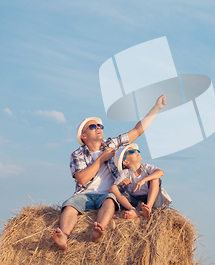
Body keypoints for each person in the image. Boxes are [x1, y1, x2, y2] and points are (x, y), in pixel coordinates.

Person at [51, 95, 167, 250]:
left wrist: (156, 107)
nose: (98, 127)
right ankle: (63, 237)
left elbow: (138, 130)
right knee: (70, 206)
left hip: (107, 194)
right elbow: (82, 179)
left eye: (100, 126)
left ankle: (99, 230)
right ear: (83, 136)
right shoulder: (77, 155)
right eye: (93, 127)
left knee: (110, 201)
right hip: (83, 194)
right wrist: (101, 159)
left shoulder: (111, 145)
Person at [110, 143, 168, 219]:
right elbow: (113, 189)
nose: (136, 152)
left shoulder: (146, 167)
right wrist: (121, 184)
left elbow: (160, 172)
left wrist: (144, 180)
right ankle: (133, 210)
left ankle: (148, 208)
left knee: (155, 178)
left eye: (136, 150)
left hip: (152, 202)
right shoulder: (125, 173)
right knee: (113, 187)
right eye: (131, 151)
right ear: (125, 162)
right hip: (134, 203)